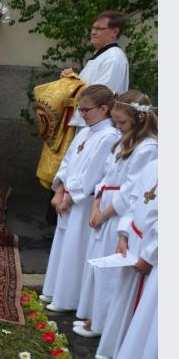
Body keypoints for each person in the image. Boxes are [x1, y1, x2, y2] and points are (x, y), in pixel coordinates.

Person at [73, 91, 157, 338]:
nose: (118, 127)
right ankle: (93, 317)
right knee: (97, 267)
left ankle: (100, 323)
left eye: (122, 123)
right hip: (105, 206)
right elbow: (106, 176)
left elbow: (132, 190)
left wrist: (106, 213)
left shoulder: (147, 149)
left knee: (110, 272)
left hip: (117, 212)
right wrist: (96, 204)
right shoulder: (124, 141)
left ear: (140, 120)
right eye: (116, 122)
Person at [38, 10, 129, 224]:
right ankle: (60, 211)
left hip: (95, 126)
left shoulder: (114, 59)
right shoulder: (102, 56)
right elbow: (88, 89)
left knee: (83, 172)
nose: (93, 32)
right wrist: (73, 79)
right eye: (93, 28)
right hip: (86, 125)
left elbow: (102, 94)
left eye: (100, 29)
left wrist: (73, 83)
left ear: (114, 32)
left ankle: (67, 212)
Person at [40, 85, 120, 312]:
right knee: (63, 245)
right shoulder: (85, 131)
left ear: (104, 109)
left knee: (75, 248)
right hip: (68, 196)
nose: (81, 115)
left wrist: (70, 197)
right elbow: (67, 162)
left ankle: (68, 298)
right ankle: (54, 290)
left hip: (84, 202)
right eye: (80, 109)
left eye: (86, 110)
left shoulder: (108, 136)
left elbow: (93, 174)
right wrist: (58, 190)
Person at [105, 159, 158, 359]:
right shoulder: (156, 163)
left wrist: (151, 252)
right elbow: (137, 198)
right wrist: (125, 231)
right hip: (144, 244)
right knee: (147, 328)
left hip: (154, 250)